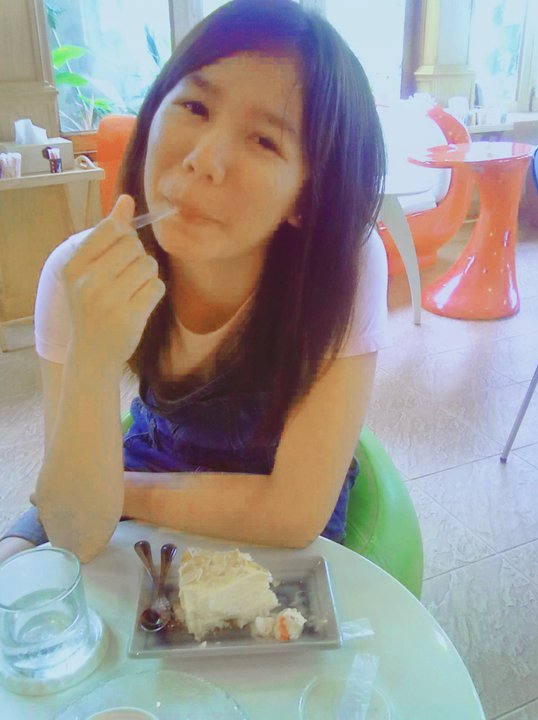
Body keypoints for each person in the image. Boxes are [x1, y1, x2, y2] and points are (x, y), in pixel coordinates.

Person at [0, 0, 388, 564]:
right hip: (152, 457)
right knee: (16, 565)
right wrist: (92, 360)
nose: (204, 159)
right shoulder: (75, 275)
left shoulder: (343, 264)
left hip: (273, 480)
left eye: (264, 140)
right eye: (195, 106)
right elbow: (74, 529)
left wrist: (118, 493)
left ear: (306, 197)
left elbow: (293, 512)